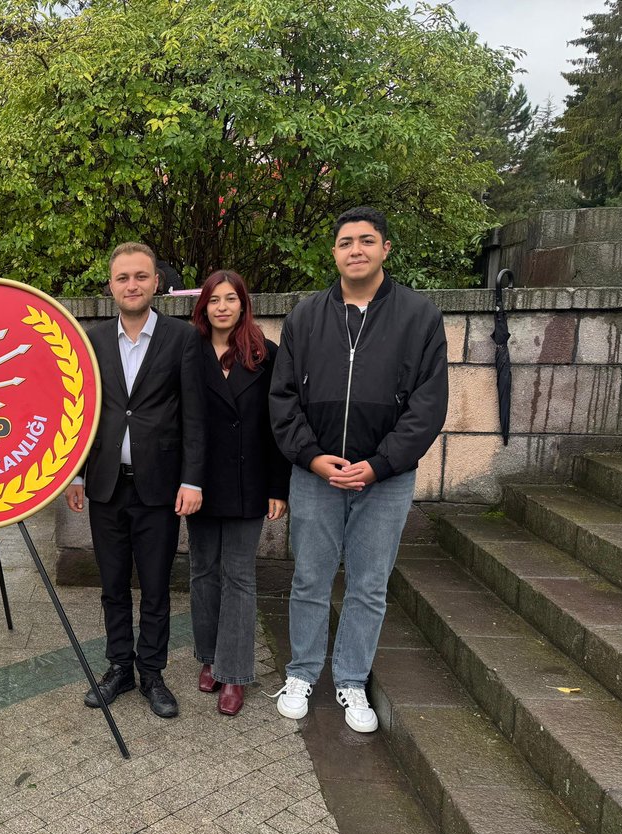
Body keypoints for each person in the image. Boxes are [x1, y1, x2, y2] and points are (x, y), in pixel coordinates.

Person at [268, 206, 448, 733]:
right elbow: (282, 399)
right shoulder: (305, 317)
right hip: (316, 476)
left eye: (366, 241)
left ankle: (351, 680)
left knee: (369, 584)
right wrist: (310, 456)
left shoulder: (419, 316)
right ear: (334, 253)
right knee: (310, 578)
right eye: (346, 242)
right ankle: (301, 673)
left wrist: (379, 464)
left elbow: (428, 405)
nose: (356, 250)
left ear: (385, 248)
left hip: (385, 480)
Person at [65, 242, 205, 719]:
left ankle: (152, 673)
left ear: (156, 282)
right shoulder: (92, 341)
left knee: (157, 588)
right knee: (112, 586)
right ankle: (119, 667)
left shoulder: (182, 339)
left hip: (159, 488)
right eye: (123, 277)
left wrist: (192, 481)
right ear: (111, 285)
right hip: (106, 485)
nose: (132, 285)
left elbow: (194, 416)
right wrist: (76, 474)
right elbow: (80, 413)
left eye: (141, 276)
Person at [188, 270, 290, 716]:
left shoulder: (266, 354)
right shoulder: (188, 351)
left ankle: (235, 672)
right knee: (203, 571)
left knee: (239, 576)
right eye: (214, 300)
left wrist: (278, 486)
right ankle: (210, 656)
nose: (222, 307)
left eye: (231, 299)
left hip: (250, 481)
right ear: (203, 307)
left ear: (244, 304)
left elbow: (279, 426)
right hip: (201, 482)